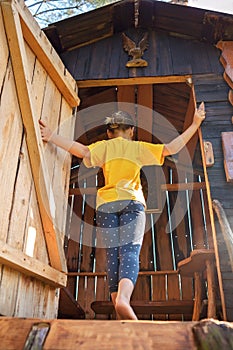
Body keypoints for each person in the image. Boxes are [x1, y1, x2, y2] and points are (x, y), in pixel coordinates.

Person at [39, 102, 206, 320]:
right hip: (132, 202)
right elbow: (171, 148)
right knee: (129, 252)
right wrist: (195, 123)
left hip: (106, 205)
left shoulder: (104, 147)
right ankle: (123, 300)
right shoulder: (137, 147)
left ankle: (117, 301)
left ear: (109, 132)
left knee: (112, 255)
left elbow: (79, 150)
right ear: (132, 131)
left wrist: (51, 136)